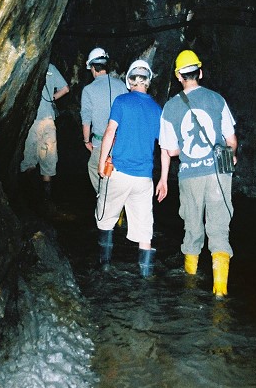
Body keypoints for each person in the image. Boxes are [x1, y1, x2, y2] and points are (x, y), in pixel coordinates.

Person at [155, 50, 238, 298]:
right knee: (219, 229)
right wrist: (230, 154)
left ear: (179, 76)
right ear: (199, 72)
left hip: (190, 174)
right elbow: (230, 140)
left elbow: (168, 150)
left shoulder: (170, 108)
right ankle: (220, 293)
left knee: (192, 228)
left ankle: (190, 286)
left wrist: (162, 179)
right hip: (219, 172)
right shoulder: (217, 99)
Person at [96, 59, 162, 277]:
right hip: (144, 179)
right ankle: (145, 278)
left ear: (129, 80)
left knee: (106, 220)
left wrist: (101, 161)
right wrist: (162, 177)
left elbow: (109, 132)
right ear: (148, 81)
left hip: (119, 173)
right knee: (145, 232)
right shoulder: (156, 108)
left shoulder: (122, 101)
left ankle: (104, 268)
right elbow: (163, 145)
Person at [81, 47, 128, 192]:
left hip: (101, 142)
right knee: (117, 175)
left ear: (93, 67)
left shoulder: (88, 90)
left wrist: (86, 140)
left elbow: (86, 119)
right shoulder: (121, 85)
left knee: (94, 167)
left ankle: (104, 201)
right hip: (121, 141)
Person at [20, 63, 69, 199]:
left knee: (29, 158)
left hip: (33, 121)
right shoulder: (51, 67)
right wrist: (50, 99)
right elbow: (65, 89)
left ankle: (30, 197)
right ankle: (46, 198)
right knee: (49, 160)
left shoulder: (30, 64)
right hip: (48, 120)